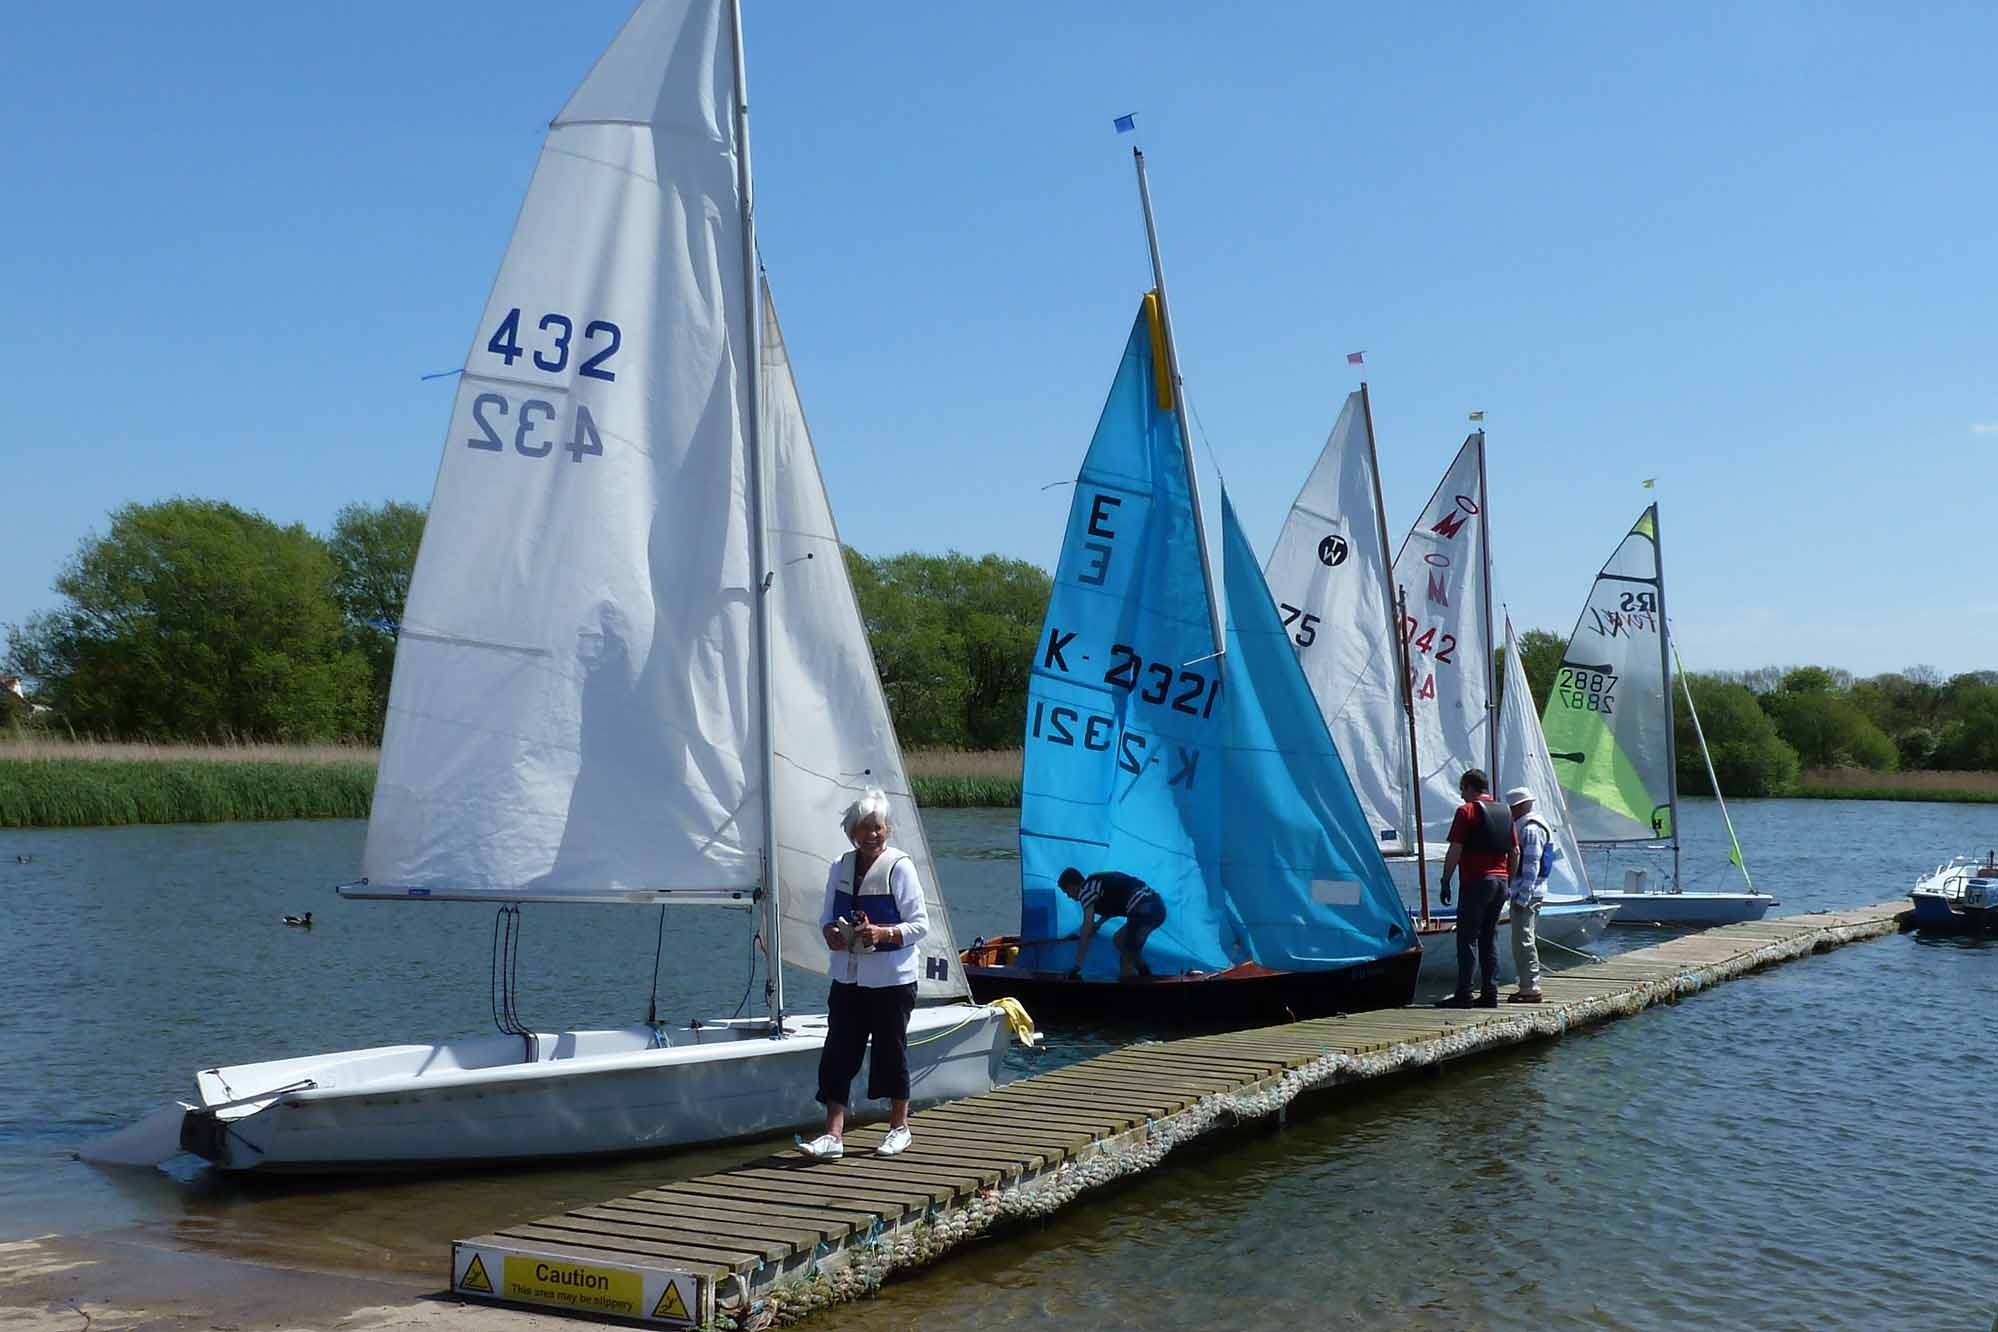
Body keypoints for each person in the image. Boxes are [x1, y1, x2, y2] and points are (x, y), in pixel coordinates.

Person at [798, 789, 928, 1161]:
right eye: (867, 828)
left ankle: (899, 1128)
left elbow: (920, 925)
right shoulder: (839, 865)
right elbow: (826, 916)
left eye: (880, 828)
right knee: (838, 1053)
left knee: (891, 1051)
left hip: (892, 980)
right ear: (853, 831)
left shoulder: (899, 866)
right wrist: (829, 933)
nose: (874, 835)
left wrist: (885, 933)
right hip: (849, 979)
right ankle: (832, 1135)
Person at [1436, 768, 1518, 1009]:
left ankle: (1464, 994)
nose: (1461, 795)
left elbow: (1455, 849)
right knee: (1489, 937)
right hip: (1501, 881)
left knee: (1467, 938)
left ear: (1470, 787)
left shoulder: (1466, 811)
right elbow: (1515, 852)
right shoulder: (1506, 812)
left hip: (1476, 881)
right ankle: (1490, 992)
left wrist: (1445, 880)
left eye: (1462, 789)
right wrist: (1509, 881)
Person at [1057, 867, 1166, 979]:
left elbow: (1086, 926)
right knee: (1120, 940)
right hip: (1156, 906)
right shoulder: (1098, 885)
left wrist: (1077, 965)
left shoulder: (1085, 890)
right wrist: (1098, 924)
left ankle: (1132, 982)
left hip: (1143, 908)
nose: (1069, 896)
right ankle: (1145, 974)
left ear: (1072, 885)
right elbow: (1112, 907)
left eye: (1067, 892)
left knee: (1126, 961)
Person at [1504, 786, 1550, 1003]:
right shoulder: (1529, 825)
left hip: (1528, 893)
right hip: (1530, 892)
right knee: (1523, 939)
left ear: (1520, 807)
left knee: (1523, 940)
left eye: (1512, 808)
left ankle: (1530, 988)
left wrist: (1522, 897)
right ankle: (1526, 985)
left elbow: (1531, 865)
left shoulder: (1530, 829)